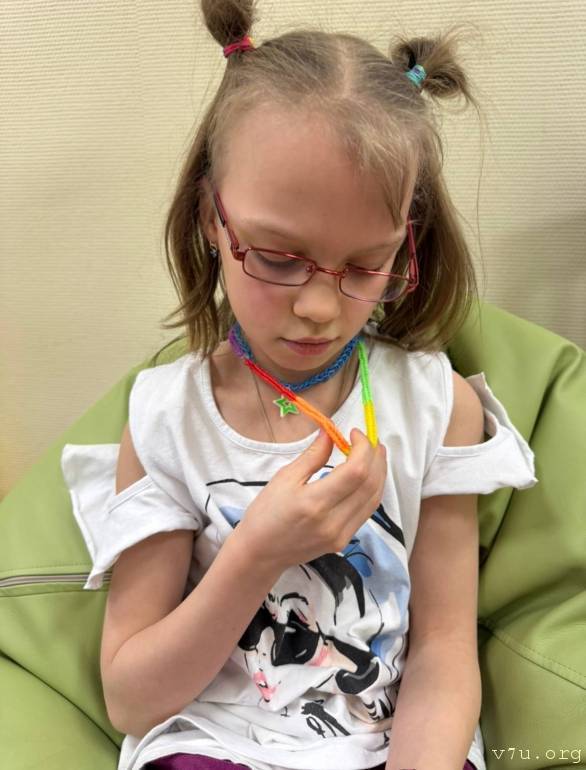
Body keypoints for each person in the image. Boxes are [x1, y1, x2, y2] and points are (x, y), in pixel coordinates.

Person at [60, 3, 538, 770]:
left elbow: (444, 653)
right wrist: (257, 553)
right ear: (210, 218)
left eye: (366, 266)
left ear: (406, 242)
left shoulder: (436, 409)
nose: (318, 307)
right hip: (213, 744)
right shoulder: (168, 420)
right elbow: (132, 698)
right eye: (278, 258)